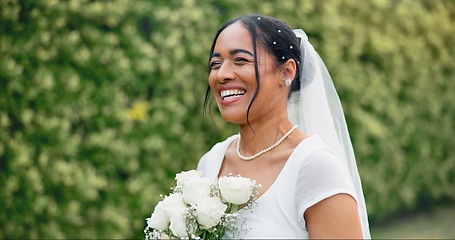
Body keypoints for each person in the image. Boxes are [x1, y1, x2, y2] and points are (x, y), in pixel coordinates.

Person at [197, 14, 370, 239]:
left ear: (287, 72)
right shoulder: (211, 162)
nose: (221, 75)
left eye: (240, 60)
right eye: (215, 64)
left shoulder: (314, 168)